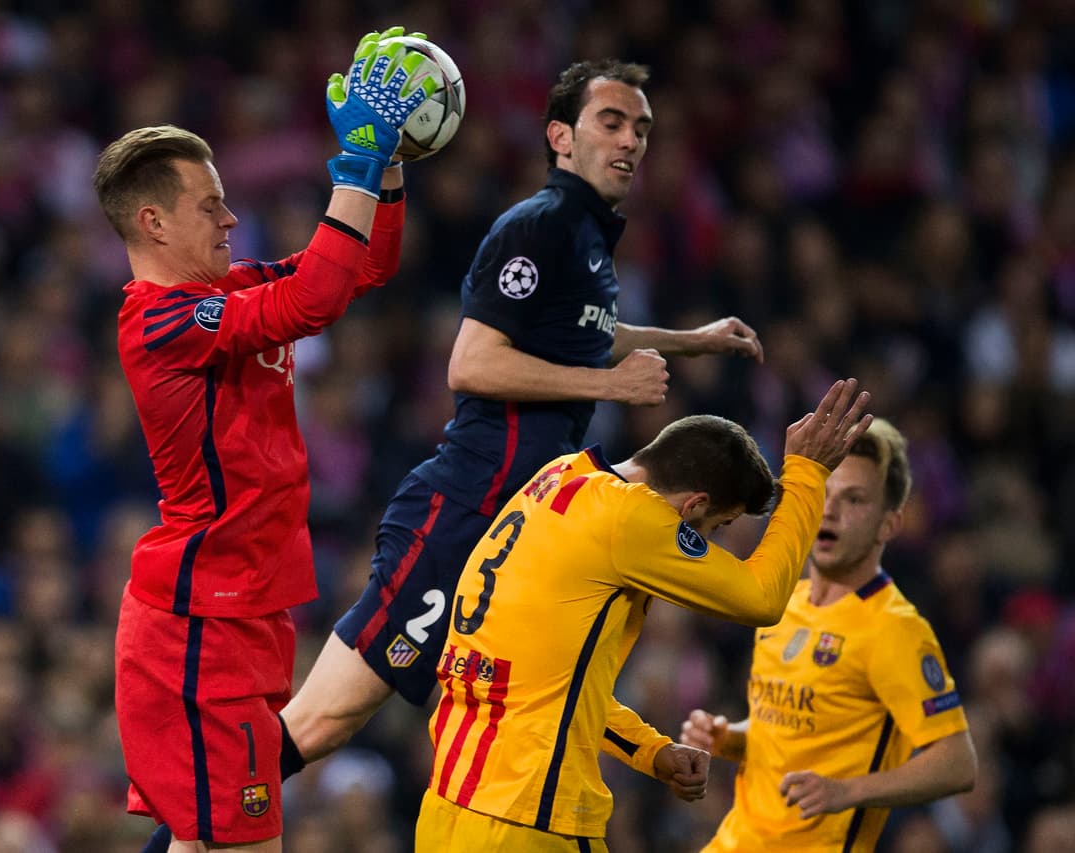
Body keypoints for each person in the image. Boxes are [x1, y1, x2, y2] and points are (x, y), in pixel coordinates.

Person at [281, 58, 766, 776]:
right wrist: (609, 385)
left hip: (512, 516)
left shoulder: (587, 237)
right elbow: (471, 363)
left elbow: (579, 331)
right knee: (323, 719)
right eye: (611, 122)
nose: (630, 140)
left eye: (640, 128)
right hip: (466, 506)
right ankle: (188, 824)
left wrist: (689, 340)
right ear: (560, 137)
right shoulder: (539, 227)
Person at [93, 28, 442, 852]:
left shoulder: (232, 290)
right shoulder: (159, 323)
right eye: (210, 204)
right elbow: (312, 301)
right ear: (152, 221)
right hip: (196, 626)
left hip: (245, 609)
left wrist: (388, 165)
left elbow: (362, 267)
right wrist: (354, 164)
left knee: (207, 841)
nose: (231, 216)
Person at [414, 379, 872, 852]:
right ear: (694, 505)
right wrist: (807, 475)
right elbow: (762, 599)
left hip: (450, 811)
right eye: (716, 528)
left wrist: (652, 751)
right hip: (529, 820)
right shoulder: (630, 515)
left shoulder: (560, 477)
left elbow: (553, 687)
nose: (708, 545)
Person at [679, 418, 977, 853]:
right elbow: (784, 734)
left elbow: (957, 764)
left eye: (854, 499)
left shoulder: (894, 628)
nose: (830, 510)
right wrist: (727, 737)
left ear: (888, 524)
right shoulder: (784, 604)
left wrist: (847, 791)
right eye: (825, 492)